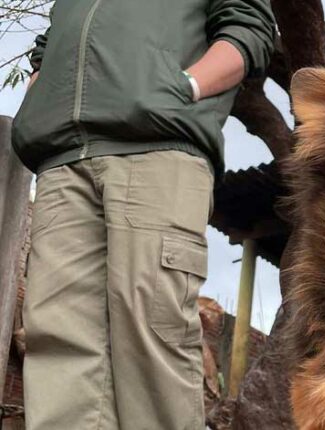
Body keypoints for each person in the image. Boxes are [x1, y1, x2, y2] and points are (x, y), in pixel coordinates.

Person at [11, 1, 275, 429]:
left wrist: (184, 87)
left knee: (151, 327)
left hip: (158, 147)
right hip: (62, 158)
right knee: (56, 336)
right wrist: (41, 97)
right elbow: (49, 47)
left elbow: (248, 26)